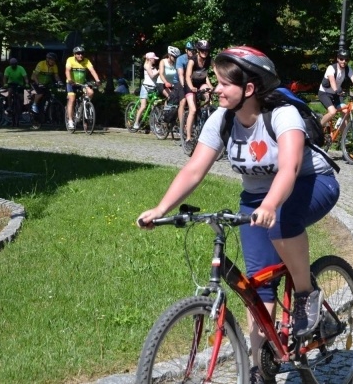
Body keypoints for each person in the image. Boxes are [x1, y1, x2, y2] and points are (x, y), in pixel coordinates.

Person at [136, 45, 339, 382]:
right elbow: (193, 170)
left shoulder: (282, 115)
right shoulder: (223, 118)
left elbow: (289, 169)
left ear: (248, 89)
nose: (215, 88)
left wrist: (272, 206)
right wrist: (160, 208)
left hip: (312, 182)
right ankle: (261, 366)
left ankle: (306, 295)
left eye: (223, 83)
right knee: (257, 289)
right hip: (258, 197)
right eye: (215, 81)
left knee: (282, 226)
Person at [317, 48, 353, 127]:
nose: (343, 61)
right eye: (341, 59)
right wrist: (336, 90)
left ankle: (343, 138)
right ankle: (318, 127)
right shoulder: (331, 68)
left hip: (336, 94)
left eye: (346, 60)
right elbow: (332, 81)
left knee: (346, 112)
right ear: (337, 59)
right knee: (332, 112)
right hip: (324, 93)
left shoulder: (348, 69)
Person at [182, 40, 214, 144]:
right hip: (190, 84)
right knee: (193, 109)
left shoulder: (209, 60)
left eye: (207, 50)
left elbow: (217, 71)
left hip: (201, 83)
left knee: (208, 96)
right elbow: (187, 76)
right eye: (202, 50)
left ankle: (205, 114)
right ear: (198, 50)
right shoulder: (192, 60)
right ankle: (188, 137)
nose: (205, 52)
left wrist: (218, 85)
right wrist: (191, 87)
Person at [65, 46, 101, 131]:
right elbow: (67, 70)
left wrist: (97, 80)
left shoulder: (86, 61)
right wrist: (70, 80)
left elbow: (92, 70)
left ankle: (84, 105)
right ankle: (70, 121)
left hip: (82, 83)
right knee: (72, 99)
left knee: (91, 92)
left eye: (82, 53)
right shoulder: (70, 60)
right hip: (72, 83)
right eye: (78, 53)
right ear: (74, 54)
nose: (80, 55)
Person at [131, 52, 160, 131]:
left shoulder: (154, 67)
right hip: (146, 88)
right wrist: (159, 71)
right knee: (143, 106)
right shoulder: (146, 65)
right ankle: (136, 123)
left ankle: (155, 125)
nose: (155, 60)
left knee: (154, 106)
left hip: (153, 88)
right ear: (150, 59)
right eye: (154, 59)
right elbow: (152, 75)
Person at [175, 41, 195, 137]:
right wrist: (184, 85)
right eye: (190, 50)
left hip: (192, 82)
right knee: (183, 101)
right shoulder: (180, 59)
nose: (192, 52)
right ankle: (181, 126)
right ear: (186, 50)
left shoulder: (195, 58)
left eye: (193, 50)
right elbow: (180, 74)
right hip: (182, 81)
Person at [3, 57, 29, 124]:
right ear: (10, 64)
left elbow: (25, 77)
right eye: (12, 64)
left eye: (14, 64)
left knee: (21, 97)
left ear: (16, 64)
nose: (13, 65)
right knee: (9, 92)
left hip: (19, 84)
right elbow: (5, 78)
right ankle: (9, 106)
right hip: (11, 84)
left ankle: (21, 108)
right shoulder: (8, 69)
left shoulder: (21, 68)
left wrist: (26, 83)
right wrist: (5, 84)